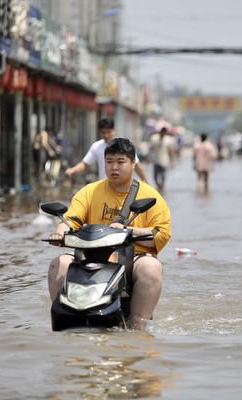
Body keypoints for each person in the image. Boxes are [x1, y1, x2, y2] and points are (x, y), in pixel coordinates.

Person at [48, 138, 171, 330]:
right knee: (59, 263)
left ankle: (138, 326)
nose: (114, 167)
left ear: (133, 163)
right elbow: (70, 221)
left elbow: (161, 234)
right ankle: (61, 319)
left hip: (133, 259)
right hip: (90, 256)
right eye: (109, 161)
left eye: (120, 162)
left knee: (152, 267)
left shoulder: (151, 196)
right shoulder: (89, 192)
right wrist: (59, 233)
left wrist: (129, 231)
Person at [65, 118, 148, 182]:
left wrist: (145, 181)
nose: (106, 135)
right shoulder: (96, 146)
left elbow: (136, 165)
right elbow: (85, 163)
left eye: (108, 132)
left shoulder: (124, 145)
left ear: (114, 130)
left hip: (123, 186)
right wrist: (72, 170)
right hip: (105, 186)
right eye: (103, 132)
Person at [148, 127, 174, 191]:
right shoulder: (154, 138)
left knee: (163, 175)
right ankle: (158, 185)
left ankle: (162, 186)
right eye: (162, 132)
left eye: (164, 133)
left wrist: (172, 160)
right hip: (156, 160)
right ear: (160, 132)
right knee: (155, 175)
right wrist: (148, 157)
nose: (163, 134)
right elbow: (151, 149)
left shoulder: (168, 140)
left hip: (164, 160)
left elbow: (170, 151)